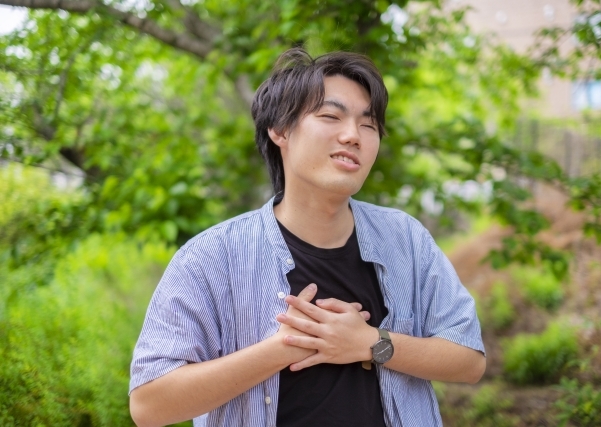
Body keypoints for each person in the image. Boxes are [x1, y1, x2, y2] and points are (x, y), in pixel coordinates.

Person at [129, 48, 485, 427]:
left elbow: (469, 360)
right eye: (331, 116)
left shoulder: (406, 239)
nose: (353, 135)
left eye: (368, 125)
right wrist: (284, 347)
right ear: (280, 130)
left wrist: (372, 343)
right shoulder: (212, 257)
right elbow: (149, 406)